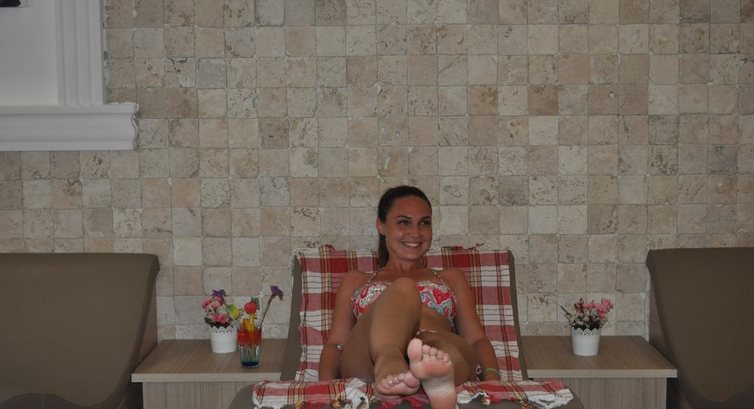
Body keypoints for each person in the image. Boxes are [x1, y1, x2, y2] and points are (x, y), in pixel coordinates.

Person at [318, 185, 500, 409]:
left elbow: (476, 340)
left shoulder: (451, 277)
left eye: (424, 223)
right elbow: (336, 344)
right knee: (404, 288)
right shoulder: (356, 280)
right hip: (370, 360)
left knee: (439, 349)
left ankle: (438, 381)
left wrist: (493, 380)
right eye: (404, 222)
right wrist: (324, 390)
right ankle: (389, 359)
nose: (416, 232)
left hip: (435, 345)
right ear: (381, 225)